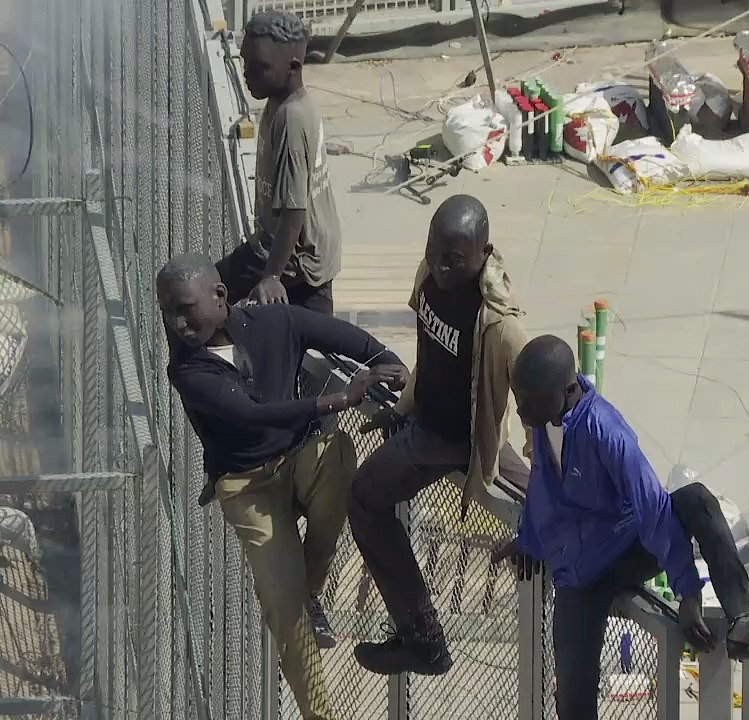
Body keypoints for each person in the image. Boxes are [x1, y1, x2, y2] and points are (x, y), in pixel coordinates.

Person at [157, 252, 408, 720]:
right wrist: (338, 399)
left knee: (337, 455)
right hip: (246, 486)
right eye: (167, 310)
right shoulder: (187, 370)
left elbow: (347, 338)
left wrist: (387, 361)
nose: (176, 322)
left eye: (185, 308)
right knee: (281, 604)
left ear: (219, 297)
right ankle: (319, 712)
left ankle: (311, 587)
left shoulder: (274, 322)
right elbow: (250, 414)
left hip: (298, 459)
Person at [493, 334, 749, 720]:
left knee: (695, 499)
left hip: (632, 548)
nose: (519, 410)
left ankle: (741, 620)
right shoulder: (544, 421)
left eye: (528, 400)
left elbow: (652, 508)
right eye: (518, 398)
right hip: (580, 575)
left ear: (565, 390)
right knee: (573, 704)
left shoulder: (606, 431)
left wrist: (688, 592)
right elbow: (544, 490)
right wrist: (528, 541)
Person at [347, 194, 531, 676]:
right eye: (435, 250)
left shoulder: (501, 326)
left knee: (365, 497)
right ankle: (422, 635)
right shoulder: (426, 277)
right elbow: (428, 353)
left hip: (458, 441)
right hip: (424, 421)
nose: (442, 265)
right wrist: (404, 406)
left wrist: (537, 458)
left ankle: (422, 637)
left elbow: (539, 402)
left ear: (483, 252)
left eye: (455, 258)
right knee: (366, 495)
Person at [215, 9, 342, 314]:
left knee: (204, 294)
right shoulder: (280, 101)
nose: (246, 74)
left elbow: (293, 210)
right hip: (281, 249)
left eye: (258, 67)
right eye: (245, 61)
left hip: (298, 264)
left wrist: (271, 277)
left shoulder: (292, 119)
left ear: (293, 67)